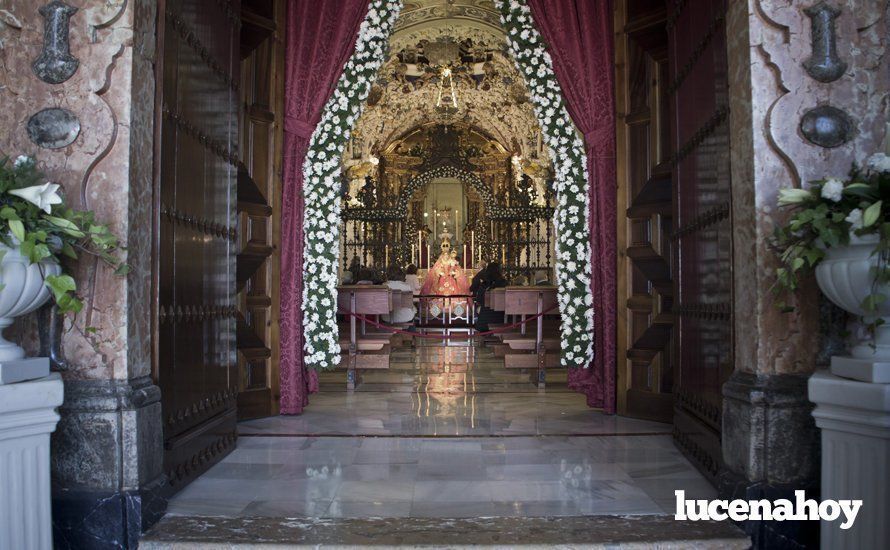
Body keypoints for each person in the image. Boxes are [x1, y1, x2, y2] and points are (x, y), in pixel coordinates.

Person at [473, 261, 507, 332]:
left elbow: (478, 300)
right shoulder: (504, 283)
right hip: (501, 319)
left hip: (484, 321)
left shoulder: (485, 284)